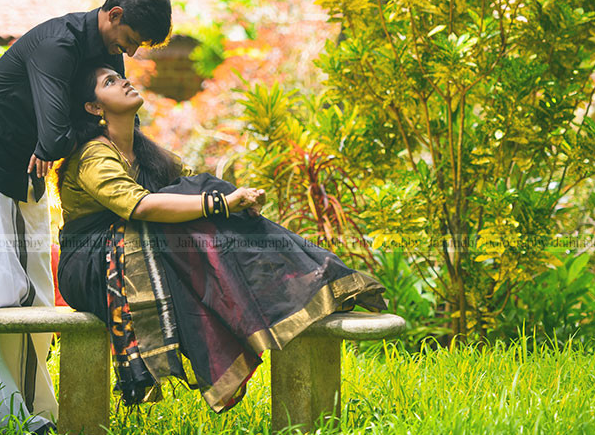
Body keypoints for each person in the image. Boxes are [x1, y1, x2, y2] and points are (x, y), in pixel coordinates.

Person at [54, 64, 387, 413]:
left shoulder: (144, 152)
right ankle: (306, 280)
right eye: (109, 82)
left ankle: (301, 283)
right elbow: (139, 205)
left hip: (130, 250)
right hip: (91, 268)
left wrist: (234, 202)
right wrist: (222, 203)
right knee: (205, 198)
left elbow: (191, 191)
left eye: (120, 76)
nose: (124, 82)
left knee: (203, 195)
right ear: (94, 108)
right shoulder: (93, 155)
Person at [0, 0, 173, 435]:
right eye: (133, 39)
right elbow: (55, 132)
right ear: (116, 14)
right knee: (0, 292)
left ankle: (21, 411)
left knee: (35, 295)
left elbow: (93, 126)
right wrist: (66, 138)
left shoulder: (107, 51)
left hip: (23, 175)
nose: (133, 51)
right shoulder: (57, 44)